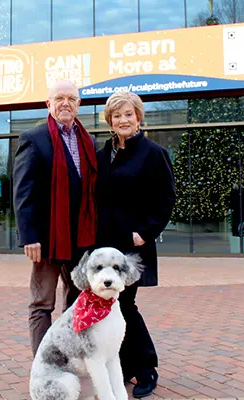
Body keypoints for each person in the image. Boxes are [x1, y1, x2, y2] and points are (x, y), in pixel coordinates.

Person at [95, 91, 176, 398]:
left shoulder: (153, 153)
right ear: (110, 121)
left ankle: (146, 368)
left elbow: (166, 198)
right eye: (117, 116)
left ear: (138, 117)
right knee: (111, 307)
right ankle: (125, 364)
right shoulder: (102, 154)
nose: (123, 120)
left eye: (128, 114)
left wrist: (146, 232)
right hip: (104, 246)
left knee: (125, 305)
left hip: (131, 246)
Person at [13, 79, 97, 356]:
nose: (65, 103)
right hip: (47, 238)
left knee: (76, 301)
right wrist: (29, 236)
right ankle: (43, 364)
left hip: (80, 239)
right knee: (42, 303)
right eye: (59, 98)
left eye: (71, 99)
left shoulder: (89, 141)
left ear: (78, 104)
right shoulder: (33, 138)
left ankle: (69, 356)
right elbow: (23, 191)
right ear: (48, 104)